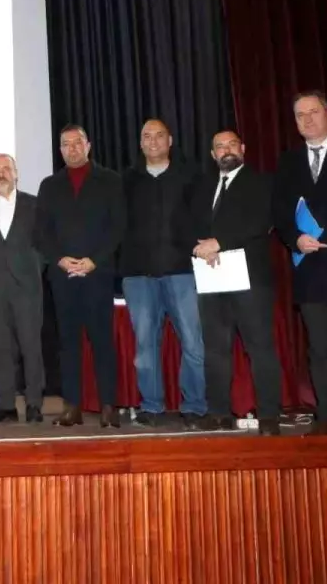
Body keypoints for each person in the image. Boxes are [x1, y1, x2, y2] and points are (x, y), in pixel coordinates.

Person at [273, 91, 327, 435]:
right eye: (300, 115)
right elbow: (280, 211)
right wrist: (294, 238)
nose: (307, 119)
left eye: (313, 112)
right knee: (320, 350)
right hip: (311, 273)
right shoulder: (288, 161)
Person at [185, 131, 281, 436]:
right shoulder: (202, 186)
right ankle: (219, 414)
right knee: (215, 349)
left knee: (260, 347)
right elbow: (186, 222)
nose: (226, 150)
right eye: (219, 146)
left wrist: (219, 242)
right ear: (212, 155)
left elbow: (260, 221)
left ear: (243, 148)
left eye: (231, 144)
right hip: (211, 275)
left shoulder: (261, 183)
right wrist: (200, 246)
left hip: (250, 278)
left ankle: (269, 416)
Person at [34, 125, 126, 428]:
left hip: (98, 273)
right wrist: (60, 259)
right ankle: (71, 406)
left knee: (102, 341)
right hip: (62, 276)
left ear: (88, 146)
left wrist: (93, 261)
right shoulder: (49, 185)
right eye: (66, 144)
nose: (72, 148)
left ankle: (108, 406)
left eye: (77, 143)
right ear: (60, 149)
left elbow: (118, 227)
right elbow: (41, 232)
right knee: (67, 343)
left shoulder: (110, 180)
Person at [120, 119, 206, 429]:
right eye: (147, 136)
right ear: (140, 143)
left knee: (193, 344)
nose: (153, 141)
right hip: (138, 276)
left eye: (159, 136)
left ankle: (194, 407)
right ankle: (151, 406)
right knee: (145, 346)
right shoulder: (126, 181)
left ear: (170, 141)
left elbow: (203, 219)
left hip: (183, 272)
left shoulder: (191, 177)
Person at [0, 154, 45, 423]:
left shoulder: (33, 205)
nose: (1, 173)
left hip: (27, 289)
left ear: (16, 173)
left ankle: (34, 403)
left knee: (31, 347)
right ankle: (6, 405)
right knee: (0, 348)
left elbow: (44, 245)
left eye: (6, 168)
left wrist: (29, 270)